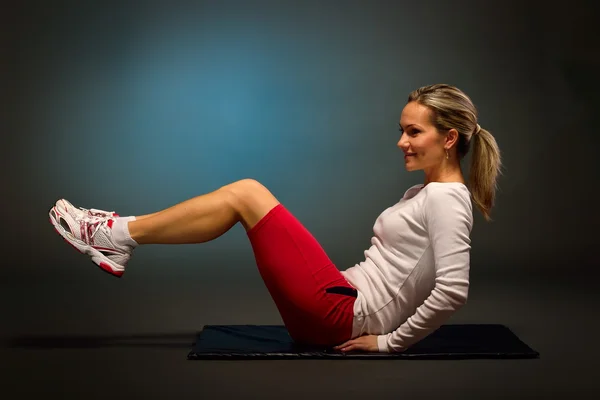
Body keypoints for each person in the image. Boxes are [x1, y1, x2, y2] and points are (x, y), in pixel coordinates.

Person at [48, 83, 502, 353]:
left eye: (413, 131)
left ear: (449, 138)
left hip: (340, 316)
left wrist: (388, 344)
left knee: (247, 193)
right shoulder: (425, 192)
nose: (402, 141)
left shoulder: (446, 199)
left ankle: (115, 234)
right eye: (401, 130)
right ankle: (118, 236)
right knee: (239, 196)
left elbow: (453, 290)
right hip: (339, 302)